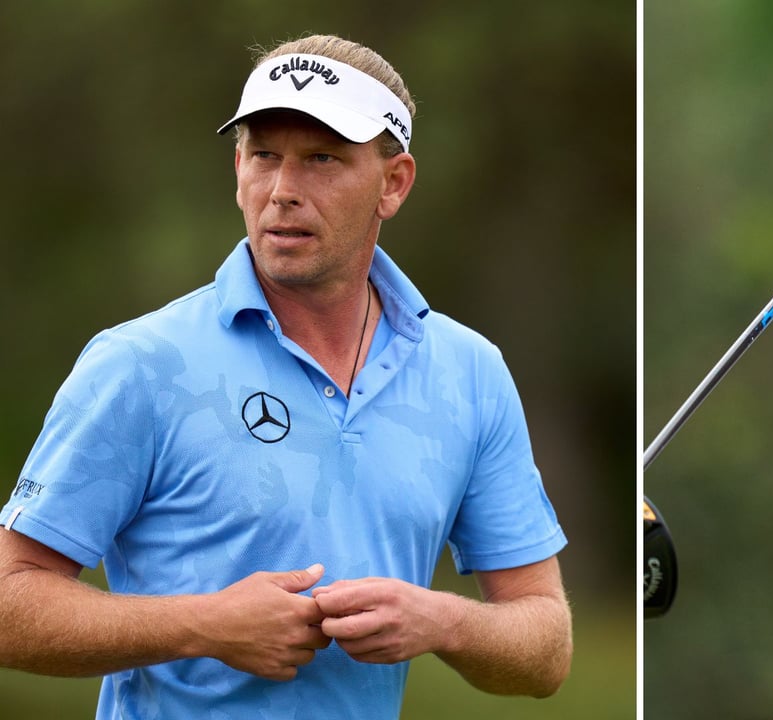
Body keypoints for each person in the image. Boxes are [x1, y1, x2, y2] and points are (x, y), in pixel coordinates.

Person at [0, 34, 571, 718]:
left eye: (323, 159)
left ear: (393, 183)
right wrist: (203, 625)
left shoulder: (470, 371)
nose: (283, 191)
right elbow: (10, 600)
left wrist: (442, 621)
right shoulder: (141, 363)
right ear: (238, 167)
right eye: (265, 155)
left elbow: (546, 650)